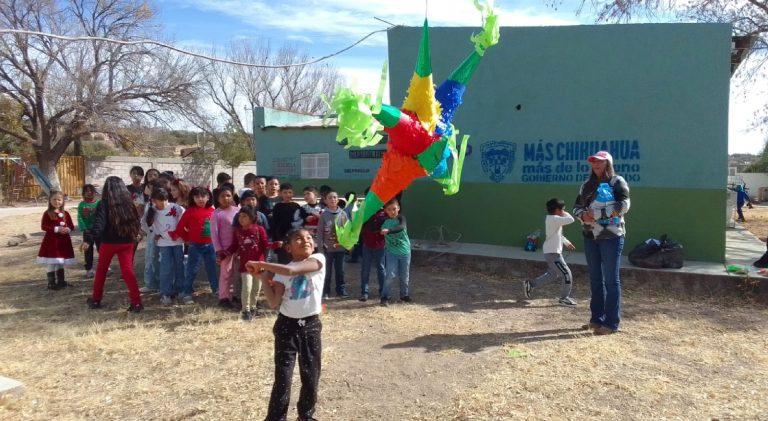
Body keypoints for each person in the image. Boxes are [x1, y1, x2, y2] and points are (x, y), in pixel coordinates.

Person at [245, 228, 325, 421]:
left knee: (311, 374)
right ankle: (275, 418)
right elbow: (273, 302)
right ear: (288, 247)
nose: (305, 240)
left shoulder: (318, 259)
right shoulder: (280, 273)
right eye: (298, 238)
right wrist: (263, 276)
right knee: (283, 377)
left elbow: (292, 270)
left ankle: (305, 415)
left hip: (311, 326)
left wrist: (262, 264)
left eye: (309, 238)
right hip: (286, 327)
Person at [573, 151, 630, 335]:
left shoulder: (617, 182)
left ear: (608, 163)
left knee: (611, 281)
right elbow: (576, 207)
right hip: (590, 237)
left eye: (600, 162)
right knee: (595, 279)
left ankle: (611, 323)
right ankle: (596, 319)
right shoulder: (586, 185)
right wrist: (582, 215)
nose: (596, 164)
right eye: (593, 162)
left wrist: (597, 215)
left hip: (611, 237)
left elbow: (624, 205)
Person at [85, 176, 143, 312]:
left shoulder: (103, 204)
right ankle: (137, 303)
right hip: (127, 243)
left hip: (108, 243)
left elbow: (99, 225)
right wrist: (135, 235)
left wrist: (88, 239)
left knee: (101, 271)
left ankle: (96, 300)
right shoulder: (129, 203)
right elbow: (136, 222)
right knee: (128, 272)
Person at [220, 206, 272, 320]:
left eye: (244, 216)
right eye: (240, 216)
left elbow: (265, 244)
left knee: (256, 288)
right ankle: (245, 311)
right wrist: (224, 254)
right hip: (245, 265)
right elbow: (234, 246)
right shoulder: (238, 231)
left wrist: (275, 245)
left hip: (259, 264)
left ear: (252, 218)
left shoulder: (259, 229)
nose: (241, 219)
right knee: (247, 287)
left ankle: (253, 307)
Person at [523, 198, 577, 306]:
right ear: (557, 210)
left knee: (553, 274)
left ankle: (531, 284)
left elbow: (557, 234)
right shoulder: (554, 219)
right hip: (553, 253)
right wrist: (564, 212)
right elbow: (571, 219)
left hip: (552, 252)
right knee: (567, 274)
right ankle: (564, 298)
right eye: (563, 209)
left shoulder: (553, 218)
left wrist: (566, 242)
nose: (564, 212)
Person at [171, 186, 219, 304]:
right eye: (197, 197)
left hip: (210, 245)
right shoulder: (190, 211)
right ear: (193, 198)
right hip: (195, 246)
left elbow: (217, 229)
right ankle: (187, 293)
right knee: (192, 269)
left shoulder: (213, 211)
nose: (200, 199)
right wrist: (187, 239)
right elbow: (180, 227)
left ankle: (216, 289)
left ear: (208, 197)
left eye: (203, 196)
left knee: (212, 269)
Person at [145, 187, 185, 305]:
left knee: (180, 265)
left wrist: (182, 233)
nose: (162, 203)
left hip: (178, 242)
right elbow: (145, 223)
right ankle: (165, 293)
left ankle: (179, 290)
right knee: (165, 268)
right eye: (159, 200)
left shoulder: (176, 208)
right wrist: (154, 233)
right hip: (164, 244)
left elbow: (184, 220)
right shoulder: (152, 210)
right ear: (153, 200)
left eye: (165, 200)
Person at [37, 190, 76, 290]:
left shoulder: (66, 213)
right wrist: (57, 229)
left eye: (59, 199)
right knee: (52, 261)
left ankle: (61, 282)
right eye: (54, 199)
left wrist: (67, 229)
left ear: (63, 201)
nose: (57, 201)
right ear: (50, 200)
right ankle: (51, 283)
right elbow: (44, 226)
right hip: (52, 241)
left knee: (60, 261)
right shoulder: (47, 213)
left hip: (63, 241)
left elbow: (71, 225)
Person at [316, 190, 349, 298]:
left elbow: (347, 231)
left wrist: (347, 245)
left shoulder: (343, 214)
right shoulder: (324, 215)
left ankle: (341, 291)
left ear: (338, 200)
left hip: (340, 249)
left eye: (335, 197)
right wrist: (321, 248)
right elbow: (320, 232)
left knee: (340, 271)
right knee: (327, 271)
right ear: (325, 201)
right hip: (327, 249)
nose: (333, 199)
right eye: (330, 197)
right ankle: (325, 291)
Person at [211, 185, 240, 308]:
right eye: (222, 196)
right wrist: (219, 250)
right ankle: (224, 297)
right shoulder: (216, 214)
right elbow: (214, 234)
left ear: (232, 196)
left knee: (237, 273)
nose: (226, 198)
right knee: (225, 274)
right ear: (218, 198)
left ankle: (235, 296)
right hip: (225, 251)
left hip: (238, 249)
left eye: (228, 195)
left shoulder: (238, 211)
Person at [380, 198, 412, 306]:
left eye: (394, 209)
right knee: (390, 275)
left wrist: (388, 231)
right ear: (385, 211)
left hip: (405, 252)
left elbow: (401, 227)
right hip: (391, 252)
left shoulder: (401, 218)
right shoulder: (384, 222)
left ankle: (404, 295)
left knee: (404, 275)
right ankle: (384, 297)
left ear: (398, 208)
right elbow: (373, 228)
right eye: (389, 209)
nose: (392, 212)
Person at [359, 206, 387, 302]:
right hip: (367, 244)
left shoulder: (384, 213)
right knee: (365, 269)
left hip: (380, 245)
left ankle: (383, 292)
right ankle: (364, 292)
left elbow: (384, 226)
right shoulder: (366, 212)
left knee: (381, 268)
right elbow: (362, 225)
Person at [271, 183, 302, 264]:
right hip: (281, 238)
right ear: (280, 193)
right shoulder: (277, 207)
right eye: (285, 192)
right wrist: (277, 239)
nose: (288, 194)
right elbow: (274, 224)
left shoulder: (296, 206)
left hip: (293, 237)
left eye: (290, 192)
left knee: (294, 261)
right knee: (283, 262)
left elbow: (299, 222)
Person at [77, 184, 100, 277]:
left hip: (98, 230)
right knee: (88, 250)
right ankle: (89, 269)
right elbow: (79, 217)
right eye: (87, 191)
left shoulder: (99, 203)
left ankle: (105, 267)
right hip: (87, 231)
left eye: (91, 191)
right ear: (83, 193)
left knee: (102, 249)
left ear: (95, 192)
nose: (89, 193)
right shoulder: (82, 204)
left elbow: (102, 216)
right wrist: (84, 228)